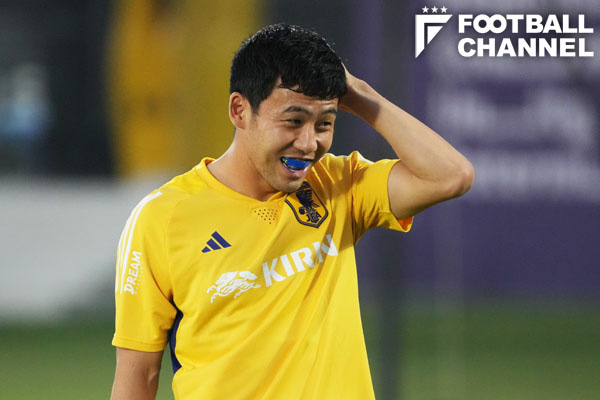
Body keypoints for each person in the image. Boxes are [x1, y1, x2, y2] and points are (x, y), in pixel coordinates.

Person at [110, 23, 474, 400]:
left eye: (325, 123)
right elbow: (138, 375)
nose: (309, 143)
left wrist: (360, 94)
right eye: (293, 121)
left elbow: (452, 176)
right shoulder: (162, 217)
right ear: (239, 110)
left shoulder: (338, 185)